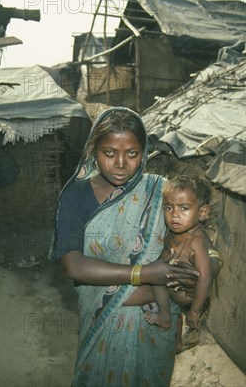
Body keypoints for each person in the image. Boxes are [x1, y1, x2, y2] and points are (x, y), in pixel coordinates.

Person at [49, 107, 219, 387]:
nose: (120, 163)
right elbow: (73, 266)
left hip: (154, 325)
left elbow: (199, 240)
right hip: (103, 320)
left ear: (144, 153)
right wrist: (146, 273)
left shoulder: (160, 192)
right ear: (94, 151)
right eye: (109, 153)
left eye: (132, 153)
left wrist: (206, 268)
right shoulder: (74, 196)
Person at [143, 176, 219, 352]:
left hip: (190, 296)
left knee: (158, 282)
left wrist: (194, 311)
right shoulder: (175, 233)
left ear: (202, 212)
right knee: (157, 277)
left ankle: (165, 315)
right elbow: (164, 257)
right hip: (175, 290)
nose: (174, 215)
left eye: (184, 208)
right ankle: (173, 334)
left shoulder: (197, 242)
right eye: (169, 208)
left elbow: (205, 278)